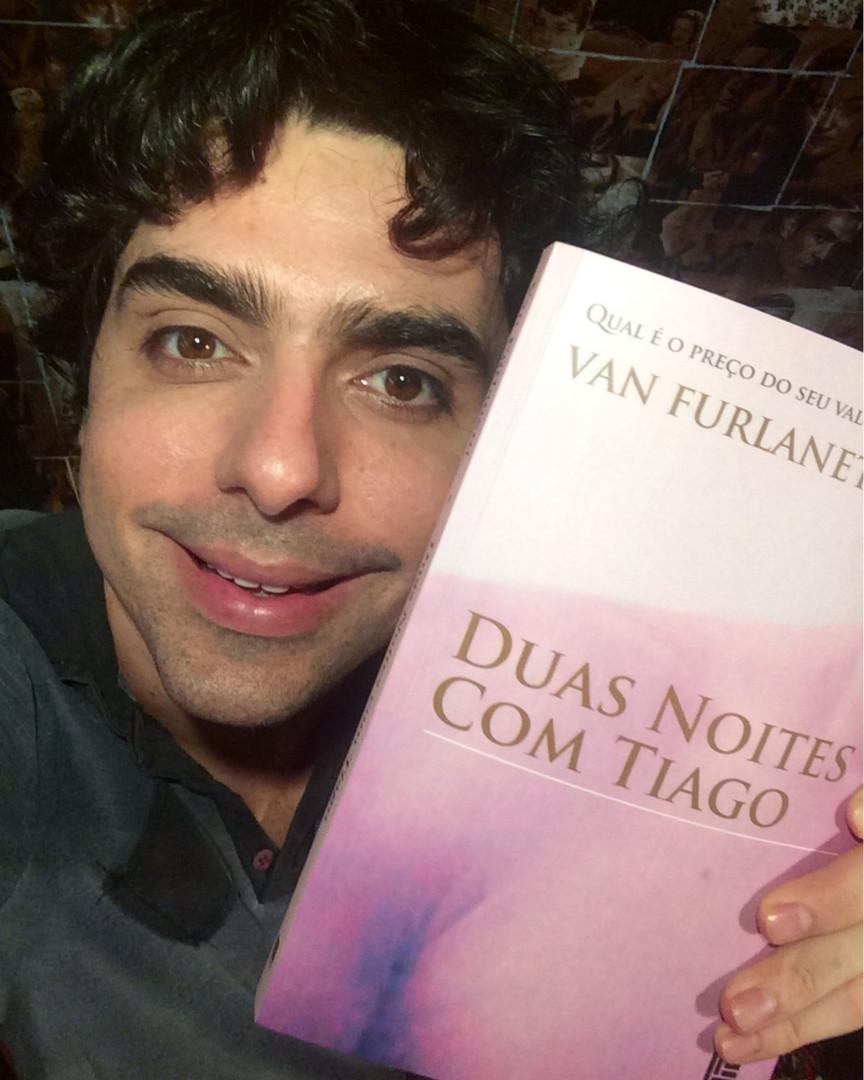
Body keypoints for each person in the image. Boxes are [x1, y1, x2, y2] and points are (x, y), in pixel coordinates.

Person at [0, 1, 860, 1077]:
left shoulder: (623, 709)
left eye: (402, 382)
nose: (281, 469)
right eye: (193, 341)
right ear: (87, 376)